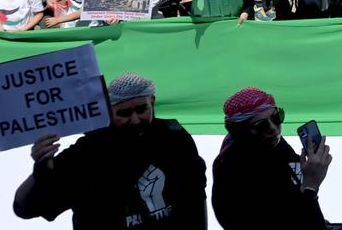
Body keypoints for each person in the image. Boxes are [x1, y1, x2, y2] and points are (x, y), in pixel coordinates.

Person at [13, 73, 207, 228]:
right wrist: (41, 171)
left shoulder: (174, 138)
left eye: (141, 109)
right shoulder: (88, 153)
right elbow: (24, 208)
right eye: (124, 113)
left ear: (152, 102)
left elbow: (196, 200)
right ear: (108, 112)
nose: (135, 120)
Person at [211, 87, 331, 229]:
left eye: (276, 117)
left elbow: (293, 189)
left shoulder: (270, 144)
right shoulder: (233, 170)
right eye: (261, 125)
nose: (274, 128)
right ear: (241, 132)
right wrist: (311, 186)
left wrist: (311, 169)